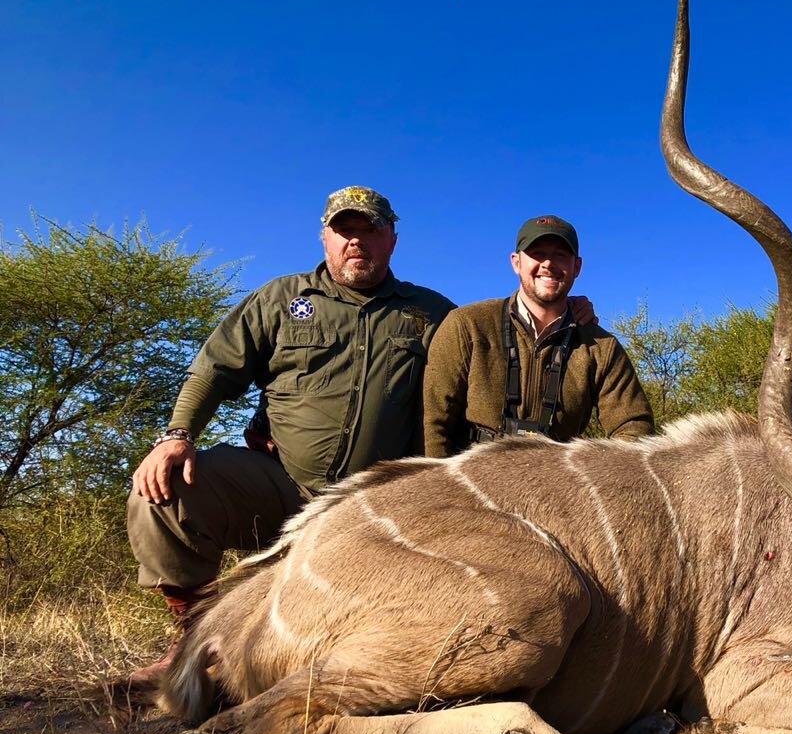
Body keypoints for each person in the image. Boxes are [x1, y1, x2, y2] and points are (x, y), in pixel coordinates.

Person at [125, 186, 454, 681]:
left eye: (371, 230)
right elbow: (214, 368)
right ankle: (193, 641)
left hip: (374, 503)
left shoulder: (432, 313)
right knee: (164, 492)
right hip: (282, 483)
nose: (357, 241)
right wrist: (176, 437)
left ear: (392, 238)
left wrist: (568, 317)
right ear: (325, 236)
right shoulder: (281, 299)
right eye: (346, 230)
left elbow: (493, 350)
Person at [423, 214, 653, 456]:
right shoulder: (467, 325)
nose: (548, 264)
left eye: (560, 255)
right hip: (472, 482)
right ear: (516, 262)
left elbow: (635, 429)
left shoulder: (601, 347)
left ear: (577, 267)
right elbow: (432, 421)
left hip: (558, 485)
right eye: (537, 253)